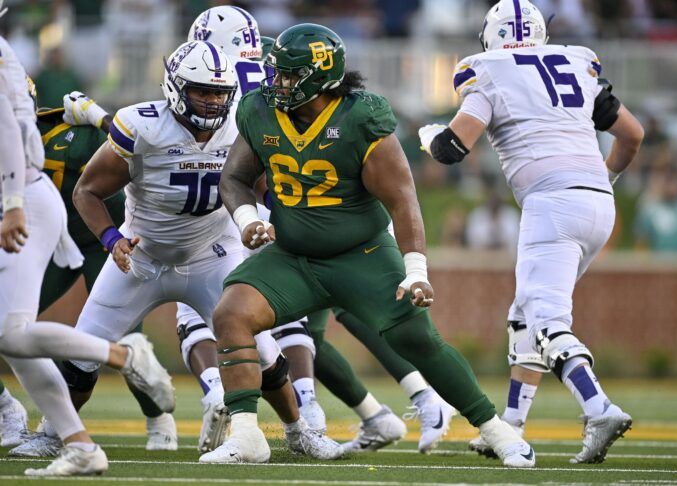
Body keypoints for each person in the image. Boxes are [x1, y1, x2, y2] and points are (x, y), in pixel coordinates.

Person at [202, 23, 534, 467]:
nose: (275, 83)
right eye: (276, 72)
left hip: (362, 255)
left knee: (416, 338)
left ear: (320, 77)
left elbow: (402, 200)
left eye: (288, 75)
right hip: (293, 257)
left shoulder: (360, 118)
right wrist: (245, 219)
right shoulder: (259, 109)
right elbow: (235, 178)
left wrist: (416, 270)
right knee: (231, 314)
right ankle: (247, 436)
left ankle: (497, 430)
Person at [189, 6, 454, 453]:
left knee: (306, 319)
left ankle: (376, 405)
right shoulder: (273, 77)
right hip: (290, 212)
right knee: (301, 323)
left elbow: (241, 165)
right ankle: (376, 410)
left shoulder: (245, 86)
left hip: (319, 213)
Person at [69, 40, 342, 461]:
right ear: (177, 87)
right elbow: (86, 190)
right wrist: (111, 239)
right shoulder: (142, 126)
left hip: (211, 254)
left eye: (219, 93)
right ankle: (56, 433)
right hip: (142, 257)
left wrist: (274, 219)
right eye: (202, 91)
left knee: (264, 352)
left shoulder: (242, 124)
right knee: (81, 352)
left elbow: (266, 186)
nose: (213, 101)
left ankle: (298, 431)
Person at [418, 0, 644, 464]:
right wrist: (603, 182)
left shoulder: (491, 71)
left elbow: (453, 148)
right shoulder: (574, 64)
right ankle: (511, 423)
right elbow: (633, 135)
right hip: (599, 200)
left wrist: (427, 136)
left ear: (489, 37)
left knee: (546, 320)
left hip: (551, 202)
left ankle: (598, 407)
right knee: (524, 316)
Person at [0, 5, 175, 475]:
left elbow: (138, 144)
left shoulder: (65, 135)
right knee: (12, 333)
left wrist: (99, 118)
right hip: (45, 224)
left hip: (86, 232)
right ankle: (54, 432)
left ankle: (141, 390)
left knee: (27, 330)